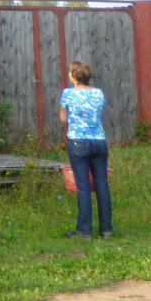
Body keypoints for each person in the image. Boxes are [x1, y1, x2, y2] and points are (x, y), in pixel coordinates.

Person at [59, 60, 113, 239]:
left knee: (83, 187)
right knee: (102, 186)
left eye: (70, 73)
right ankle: (106, 230)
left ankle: (84, 231)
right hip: (99, 142)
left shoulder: (68, 94)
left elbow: (63, 118)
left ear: (74, 77)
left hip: (78, 142)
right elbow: (98, 112)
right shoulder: (98, 93)